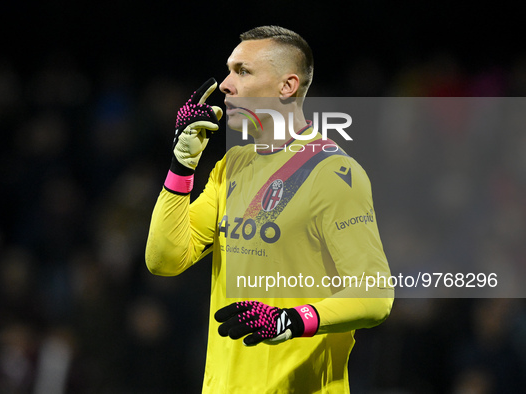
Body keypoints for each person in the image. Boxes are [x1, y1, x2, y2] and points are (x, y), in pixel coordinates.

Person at [146, 25, 394, 393]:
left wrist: (291, 321)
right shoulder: (231, 165)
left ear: (287, 86)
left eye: (242, 71)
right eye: (229, 70)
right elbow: (164, 260)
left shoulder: (335, 174)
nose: (226, 85)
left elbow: (376, 294)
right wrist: (182, 166)